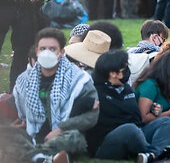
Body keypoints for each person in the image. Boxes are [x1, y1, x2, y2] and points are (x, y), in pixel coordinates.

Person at [2, 27, 99, 163]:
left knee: (74, 137)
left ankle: (33, 156)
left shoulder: (80, 80)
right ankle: (40, 158)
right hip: (31, 134)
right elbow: (15, 104)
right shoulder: (25, 80)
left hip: (63, 135)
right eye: (43, 49)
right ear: (37, 51)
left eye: (52, 49)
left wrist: (61, 128)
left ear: (62, 52)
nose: (47, 53)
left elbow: (92, 115)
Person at [86, 50, 170, 163]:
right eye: (123, 67)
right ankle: (155, 151)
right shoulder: (96, 92)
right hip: (107, 142)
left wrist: (153, 110)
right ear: (112, 73)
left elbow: (135, 114)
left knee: (166, 122)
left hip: (136, 132)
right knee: (130, 129)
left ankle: (151, 153)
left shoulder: (126, 89)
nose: (127, 70)